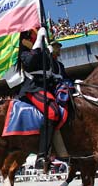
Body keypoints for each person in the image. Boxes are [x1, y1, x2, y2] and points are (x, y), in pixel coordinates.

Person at [17, 26, 69, 172]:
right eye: (33, 33)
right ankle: (42, 155)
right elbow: (30, 62)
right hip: (33, 88)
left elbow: (54, 74)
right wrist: (39, 41)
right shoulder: (24, 51)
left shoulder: (46, 53)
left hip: (47, 88)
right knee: (52, 113)